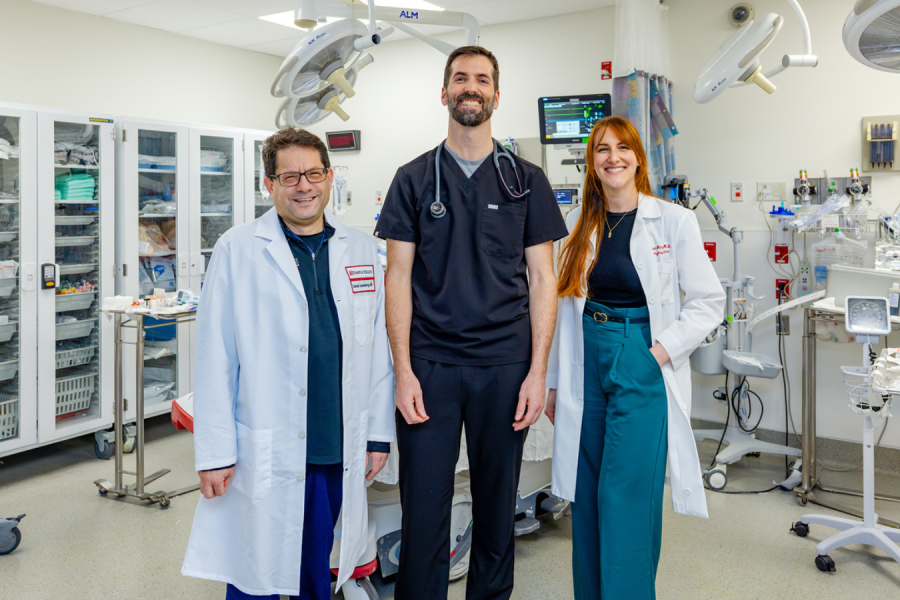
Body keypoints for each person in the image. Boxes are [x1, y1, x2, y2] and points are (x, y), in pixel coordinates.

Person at [374, 46, 568, 600]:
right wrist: (403, 371)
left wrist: (537, 372)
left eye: (482, 80)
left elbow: (542, 279)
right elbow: (397, 278)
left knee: (495, 508)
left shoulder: (525, 180)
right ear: (444, 92)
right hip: (429, 369)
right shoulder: (412, 179)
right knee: (424, 511)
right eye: (460, 78)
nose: (471, 87)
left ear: (496, 96)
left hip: (505, 368)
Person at [181, 128, 395, 599]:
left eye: (314, 173)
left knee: (314, 571)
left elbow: (377, 350)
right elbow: (215, 356)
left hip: (334, 442)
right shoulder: (237, 249)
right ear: (269, 184)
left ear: (330, 176)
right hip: (266, 445)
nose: (304, 186)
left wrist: (378, 433)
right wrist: (215, 453)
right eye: (290, 176)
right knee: (254, 569)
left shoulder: (359, 249)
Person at [545, 116, 726, 600]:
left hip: (640, 358)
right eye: (602, 150)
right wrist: (555, 382)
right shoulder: (577, 224)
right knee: (585, 495)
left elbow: (709, 301)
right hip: (586, 356)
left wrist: (656, 355)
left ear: (638, 158)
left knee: (623, 497)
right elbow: (562, 309)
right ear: (592, 163)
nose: (613, 157)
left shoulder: (673, 219)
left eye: (622, 148)